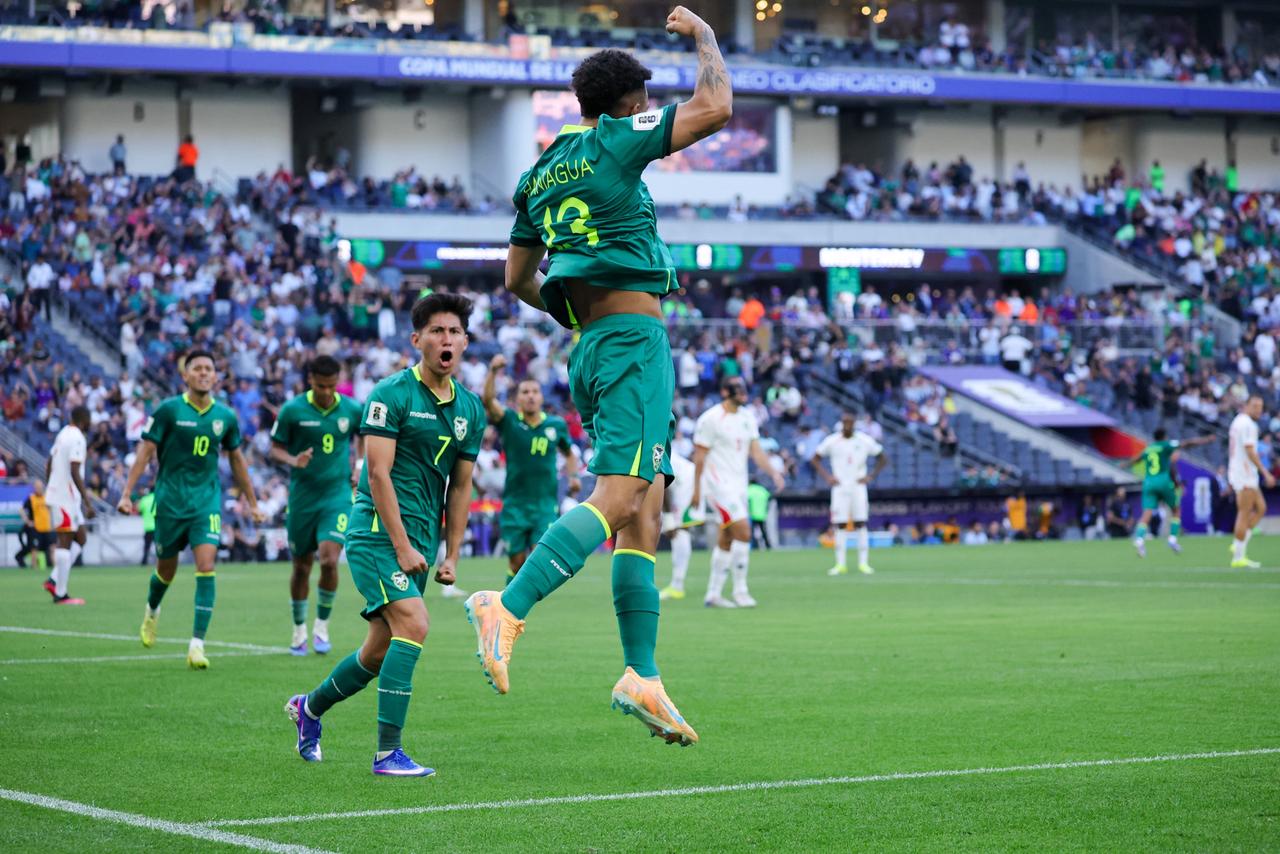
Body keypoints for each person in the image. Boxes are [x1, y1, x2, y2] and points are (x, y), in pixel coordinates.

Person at [469, 5, 732, 747]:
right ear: (626, 106)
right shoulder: (616, 139)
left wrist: (575, 316)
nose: (648, 108)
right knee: (619, 496)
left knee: (644, 510)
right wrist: (706, 37)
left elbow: (517, 277)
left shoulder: (539, 173)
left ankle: (641, 676)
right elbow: (715, 107)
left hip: (592, 345)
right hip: (631, 341)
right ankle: (507, 605)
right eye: (643, 100)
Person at [285, 293, 483, 777]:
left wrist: (452, 554)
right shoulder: (390, 394)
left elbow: (461, 487)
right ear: (417, 339)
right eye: (436, 331)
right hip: (378, 534)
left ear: (464, 342)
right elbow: (377, 474)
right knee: (414, 624)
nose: (446, 339)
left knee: (376, 651)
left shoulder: (470, 410)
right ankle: (387, 753)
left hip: (421, 542)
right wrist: (401, 545)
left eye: (454, 331)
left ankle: (309, 708)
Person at [117, 350, 266, 669]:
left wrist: (253, 503)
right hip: (170, 502)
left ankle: (197, 645)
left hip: (205, 503)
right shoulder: (169, 410)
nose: (203, 373)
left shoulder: (225, 416)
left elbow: (237, 460)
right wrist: (127, 493)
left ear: (215, 376)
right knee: (166, 570)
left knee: (206, 565)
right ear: (185, 375)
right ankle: (152, 611)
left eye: (208, 368)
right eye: (196, 368)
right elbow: (145, 452)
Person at [269, 355, 364, 656]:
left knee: (329, 560)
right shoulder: (293, 410)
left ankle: (321, 627)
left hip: (337, 496)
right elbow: (275, 449)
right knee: (301, 567)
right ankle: (299, 631)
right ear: (310, 380)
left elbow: (364, 435)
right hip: (302, 498)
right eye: (321, 386)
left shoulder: (351, 409)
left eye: (331, 386)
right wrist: (293, 460)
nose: (326, 392)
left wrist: (359, 465)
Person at [481, 353, 580, 585]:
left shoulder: (556, 425)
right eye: (525, 392)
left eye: (535, 391)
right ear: (517, 399)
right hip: (515, 506)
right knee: (516, 564)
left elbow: (569, 453)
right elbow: (488, 401)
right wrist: (493, 372)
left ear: (541, 396)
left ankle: (521, 603)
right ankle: (509, 600)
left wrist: (574, 476)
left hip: (544, 505)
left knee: (538, 558)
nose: (531, 396)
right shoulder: (509, 421)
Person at [690, 377, 786, 608]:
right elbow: (700, 456)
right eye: (738, 389)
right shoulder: (710, 419)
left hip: (738, 484)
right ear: (725, 391)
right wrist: (696, 489)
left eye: (744, 388)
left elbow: (756, 452)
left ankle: (713, 594)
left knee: (727, 537)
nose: (744, 393)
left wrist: (774, 473)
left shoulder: (747, 417)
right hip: (717, 484)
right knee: (743, 530)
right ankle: (741, 591)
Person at [811, 411, 887, 576]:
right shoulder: (832, 440)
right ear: (841, 423)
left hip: (858, 486)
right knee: (840, 524)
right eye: (845, 422)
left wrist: (871, 476)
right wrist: (827, 477)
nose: (847, 425)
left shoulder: (864, 440)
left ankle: (863, 563)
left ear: (854, 423)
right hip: (840, 487)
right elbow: (815, 458)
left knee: (861, 523)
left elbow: (882, 457)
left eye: (850, 422)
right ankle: (840, 564)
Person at [1132, 428, 1213, 557]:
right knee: (1176, 510)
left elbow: (1136, 459)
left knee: (1147, 513)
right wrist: (1206, 439)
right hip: (1164, 482)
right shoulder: (1166, 446)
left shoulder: (1149, 448)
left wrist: (1124, 464)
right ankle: (1172, 539)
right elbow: (1187, 443)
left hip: (1148, 483)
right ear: (1164, 437)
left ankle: (1139, 539)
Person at [42, 406, 94, 605]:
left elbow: (49, 462)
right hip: (65, 497)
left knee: (81, 538)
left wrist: (50, 486)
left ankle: (54, 579)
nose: (90, 424)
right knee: (64, 540)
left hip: (63, 494)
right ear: (84, 420)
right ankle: (61, 594)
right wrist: (87, 501)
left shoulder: (63, 433)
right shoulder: (78, 437)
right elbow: (74, 469)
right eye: (89, 420)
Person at [1228, 395, 1275, 568]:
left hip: (1241, 470)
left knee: (1261, 508)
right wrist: (1265, 472)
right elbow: (1250, 451)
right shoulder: (1248, 424)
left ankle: (1238, 543)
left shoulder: (1238, 421)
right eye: (1255, 406)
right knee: (1244, 512)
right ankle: (1238, 556)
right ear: (1246, 405)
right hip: (1244, 473)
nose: (1259, 410)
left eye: (1260, 406)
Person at [658, 450, 698, 601]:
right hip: (683, 480)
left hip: (685, 482)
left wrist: (668, 518)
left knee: (678, 530)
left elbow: (663, 485)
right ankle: (677, 585)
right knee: (679, 531)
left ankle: (677, 586)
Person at [15, 479, 53, 571]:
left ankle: (55, 567)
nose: (39, 489)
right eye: (37, 487)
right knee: (34, 549)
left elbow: (51, 510)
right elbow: (21, 510)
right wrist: (28, 521)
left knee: (52, 547)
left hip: (47, 528)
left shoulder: (47, 497)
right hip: (36, 528)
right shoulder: (31, 498)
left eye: (40, 487)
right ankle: (34, 567)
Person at [747, 481, 771, 550]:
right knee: (764, 532)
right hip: (762, 515)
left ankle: (753, 546)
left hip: (753, 515)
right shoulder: (762, 489)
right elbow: (769, 497)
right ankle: (768, 546)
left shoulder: (750, 489)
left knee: (751, 532)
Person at [137, 491, 157, 565]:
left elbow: (139, 511)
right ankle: (161, 561)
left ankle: (144, 561)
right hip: (157, 527)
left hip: (148, 527)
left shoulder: (144, 499)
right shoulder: (157, 498)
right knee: (159, 546)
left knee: (146, 547)